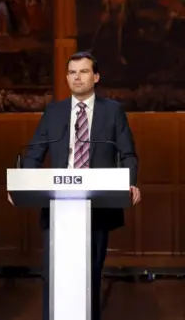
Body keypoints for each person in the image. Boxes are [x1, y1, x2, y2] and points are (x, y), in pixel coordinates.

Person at [8, 51, 141, 320]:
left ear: (96, 76)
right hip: (57, 203)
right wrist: (22, 184)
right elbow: (34, 153)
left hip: (99, 205)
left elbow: (127, 154)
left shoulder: (113, 112)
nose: (77, 77)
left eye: (83, 71)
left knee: (89, 274)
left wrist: (129, 183)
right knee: (54, 274)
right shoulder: (54, 112)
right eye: (71, 72)